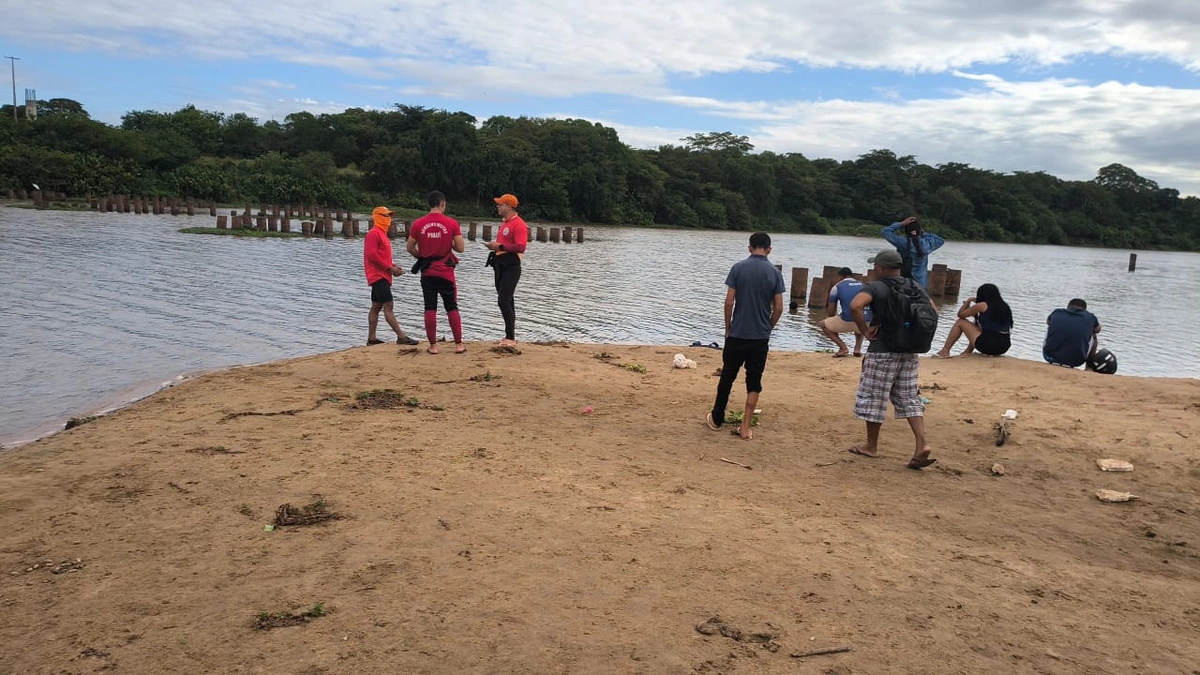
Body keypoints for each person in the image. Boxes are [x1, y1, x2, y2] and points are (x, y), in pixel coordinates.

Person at [846, 249, 936, 469]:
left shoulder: (876, 287)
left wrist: (865, 330)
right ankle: (921, 443)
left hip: (883, 350)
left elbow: (855, 305)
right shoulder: (915, 287)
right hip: (909, 351)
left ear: (881, 268)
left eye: (875, 265)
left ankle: (871, 446)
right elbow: (933, 311)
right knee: (909, 396)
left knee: (874, 396)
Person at [704, 232, 785, 441]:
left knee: (728, 377)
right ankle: (746, 427)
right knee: (754, 381)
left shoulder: (738, 268)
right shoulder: (775, 273)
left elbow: (729, 302)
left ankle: (717, 418)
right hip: (760, 337)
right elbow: (779, 307)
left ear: (749, 247)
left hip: (738, 333)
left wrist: (728, 327)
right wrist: (768, 327)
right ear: (769, 249)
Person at [407, 191, 466, 354]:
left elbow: (410, 247)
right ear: (442, 204)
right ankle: (459, 345)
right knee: (452, 307)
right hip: (446, 272)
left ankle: (433, 346)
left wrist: (422, 256)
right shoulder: (452, 223)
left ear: (429, 204)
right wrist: (450, 243)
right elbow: (461, 248)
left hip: (427, 272)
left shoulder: (418, 224)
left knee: (430, 307)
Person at [364, 206, 420, 346]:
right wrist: (390, 268)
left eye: (389, 216)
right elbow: (371, 256)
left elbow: (383, 256)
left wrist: (394, 267)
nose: (388, 219)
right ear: (377, 217)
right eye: (385, 216)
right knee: (388, 305)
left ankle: (371, 339)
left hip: (382, 274)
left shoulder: (382, 234)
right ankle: (401, 337)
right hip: (377, 276)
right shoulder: (374, 234)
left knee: (376, 306)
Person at [484, 194, 528, 346]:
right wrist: (495, 247)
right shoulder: (505, 224)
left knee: (503, 300)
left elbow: (521, 246)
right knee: (508, 300)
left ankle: (510, 337)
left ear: (509, 206)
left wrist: (499, 246)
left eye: (500, 204)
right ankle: (510, 336)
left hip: (512, 266)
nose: (498, 206)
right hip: (500, 264)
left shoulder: (519, 224)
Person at [933, 283, 1013, 358]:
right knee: (977, 326)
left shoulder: (982, 305)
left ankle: (945, 351)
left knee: (960, 322)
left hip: (989, 345)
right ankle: (968, 351)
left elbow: (961, 315)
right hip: (1004, 345)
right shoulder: (1004, 307)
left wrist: (968, 301)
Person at [881, 216, 945, 288]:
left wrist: (901, 223)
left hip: (903, 283)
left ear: (906, 231)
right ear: (919, 230)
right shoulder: (927, 243)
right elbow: (940, 240)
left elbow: (885, 232)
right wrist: (922, 233)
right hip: (921, 285)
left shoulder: (902, 242)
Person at [820, 267, 869, 358]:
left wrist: (832, 319)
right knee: (860, 316)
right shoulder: (863, 285)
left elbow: (831, 311)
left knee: (823, 324)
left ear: (840, 277)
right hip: (866, 323)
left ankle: (843, 347)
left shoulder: (837, 287)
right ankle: (857, 349)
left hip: (848, 321)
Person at [1043, 299, 1101, 368]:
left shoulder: (1057, 312)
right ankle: (1089, 368)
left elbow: (1048, 322)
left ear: (1068, 306)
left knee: (1051, 326)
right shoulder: (1090, 317)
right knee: (1093, 335)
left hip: (1049, 356)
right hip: (1076, 361)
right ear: (1084, 310)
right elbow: (1098, 329)